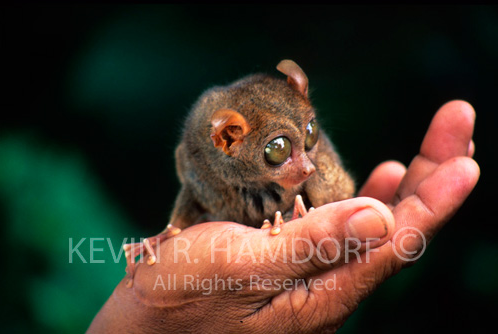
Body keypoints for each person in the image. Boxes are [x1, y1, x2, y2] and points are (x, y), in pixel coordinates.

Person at [88, 100, 479, 333]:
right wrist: (168, 237)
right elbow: (194, 195)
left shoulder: (300, 169)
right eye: (279, 148)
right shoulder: (201, 159)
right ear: (227, 140)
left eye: (307, 137)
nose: (306, 166)